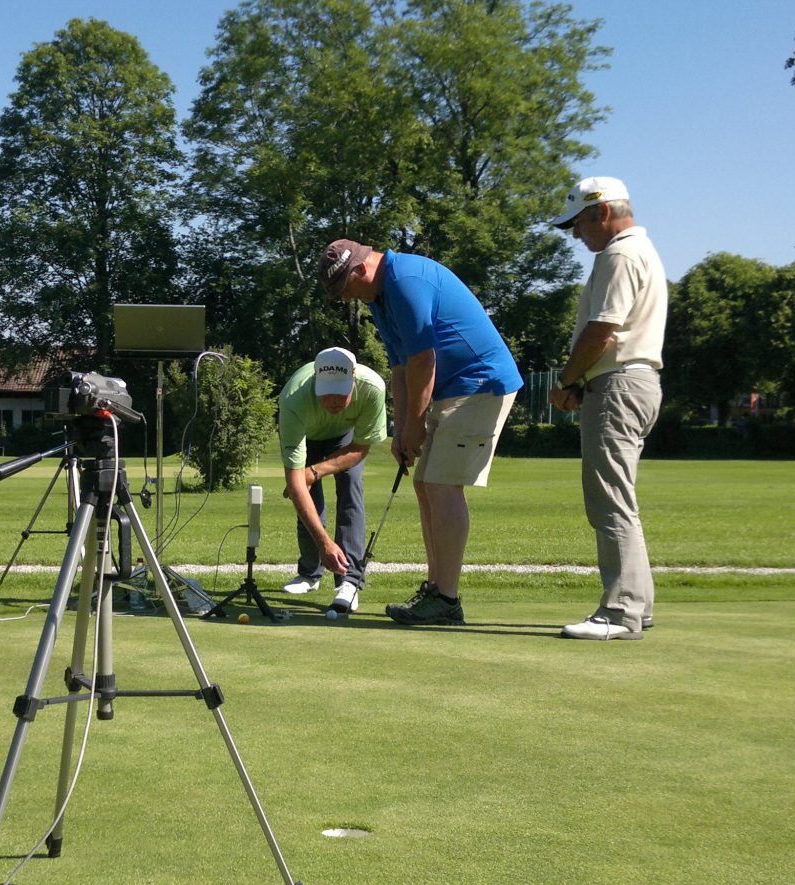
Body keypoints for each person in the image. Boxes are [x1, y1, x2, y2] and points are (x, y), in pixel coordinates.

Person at [318, 239, 525, 625]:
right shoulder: (381, 298)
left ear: (360, 270)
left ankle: (445, 599)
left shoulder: (406, 281)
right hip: (453, 388)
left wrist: (416, 424)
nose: (347, 298)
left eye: (345, 289)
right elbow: (400, 368)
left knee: (442, 484)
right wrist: (401, 430)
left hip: (480, 383)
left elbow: (423, 360)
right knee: (425, 483)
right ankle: (437, 590)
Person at [548, 177, 667, 640]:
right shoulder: (643, 250)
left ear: (601, 213)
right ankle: (638, 605)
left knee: (609, 501)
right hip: (635, 383)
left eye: (577, 224)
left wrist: (566, 381)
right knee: (620, 499)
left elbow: (603, 332)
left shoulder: (618, 253)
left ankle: (620, 612)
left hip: (617, 386)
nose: (576, 235)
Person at [276, 346, 388, 613]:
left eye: (341, 392)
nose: (334, 400)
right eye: (327, 393)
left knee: (351, 488)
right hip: (307, 436)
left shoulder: (373, 387)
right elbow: (295, 485)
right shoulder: (294, 398)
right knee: (307, 501)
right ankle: (309, 574)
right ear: (316, 382)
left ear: (354, 380)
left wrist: (313, 472)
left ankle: (349, 580)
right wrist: (325, 543)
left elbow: (360, 449)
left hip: (347, 439)